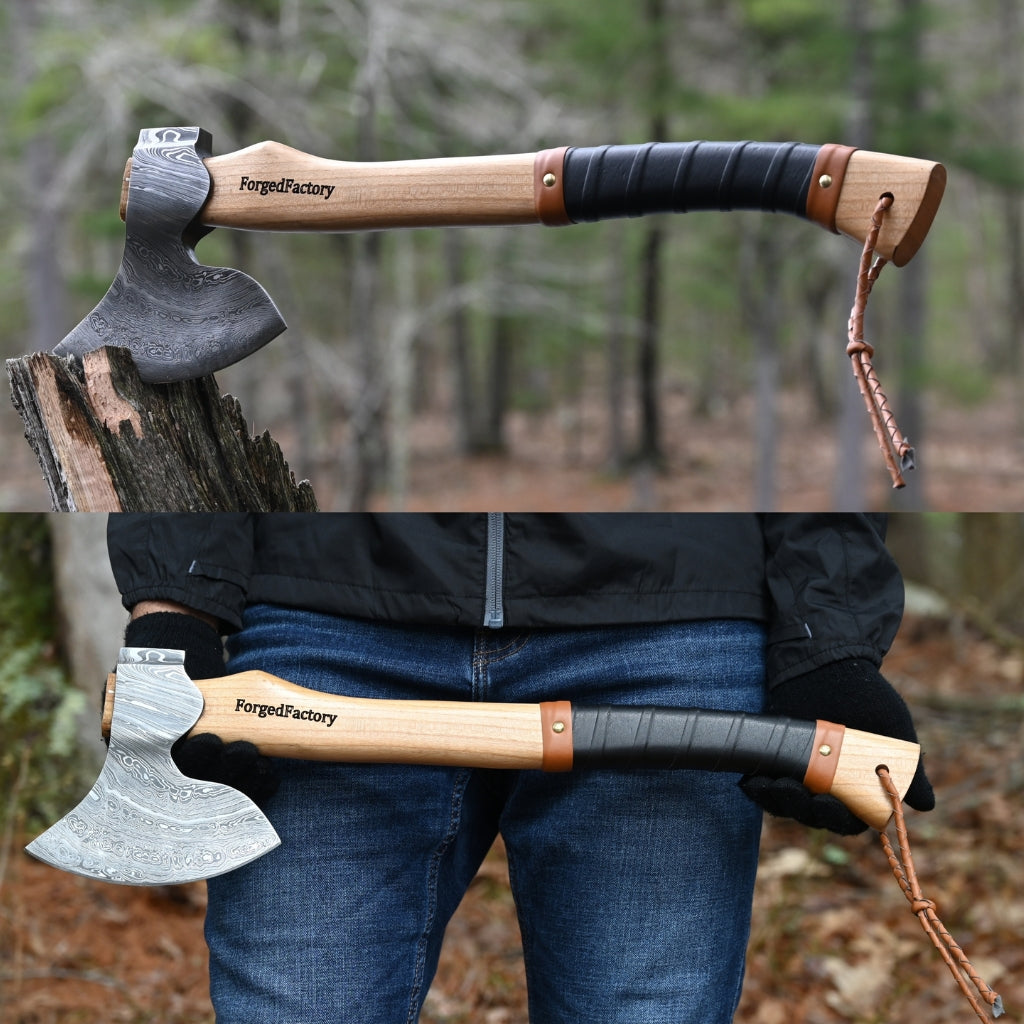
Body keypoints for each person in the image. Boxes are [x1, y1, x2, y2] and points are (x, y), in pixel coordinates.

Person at [106, 512, 933, 1024]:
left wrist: (831, 638)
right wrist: (176, 604)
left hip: (672, 614)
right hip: (318, 608)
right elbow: (173, 349)